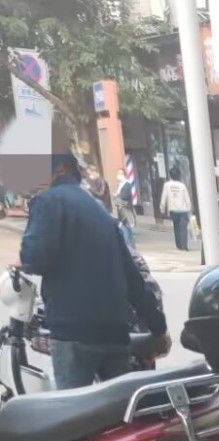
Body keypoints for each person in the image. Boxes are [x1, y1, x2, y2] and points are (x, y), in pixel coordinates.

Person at [19, 150, 169, 389]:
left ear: (60, 168)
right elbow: (132, 275)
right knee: (119, 407)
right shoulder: (98, 208)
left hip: (73, 330)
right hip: (115, 331)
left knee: (74, 408)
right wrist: (158, 326)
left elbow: (32, 259)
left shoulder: (47, 201)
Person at [160, 167, 192, 249]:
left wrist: (162, 208)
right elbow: (187, 198)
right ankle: (184, 246)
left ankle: (179, 245)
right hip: (183, 210)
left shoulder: (167, 185)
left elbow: (164, 197)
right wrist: (189, 209)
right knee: (183, 228)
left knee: (176, 227)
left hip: (173, 210)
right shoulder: (182, 186)